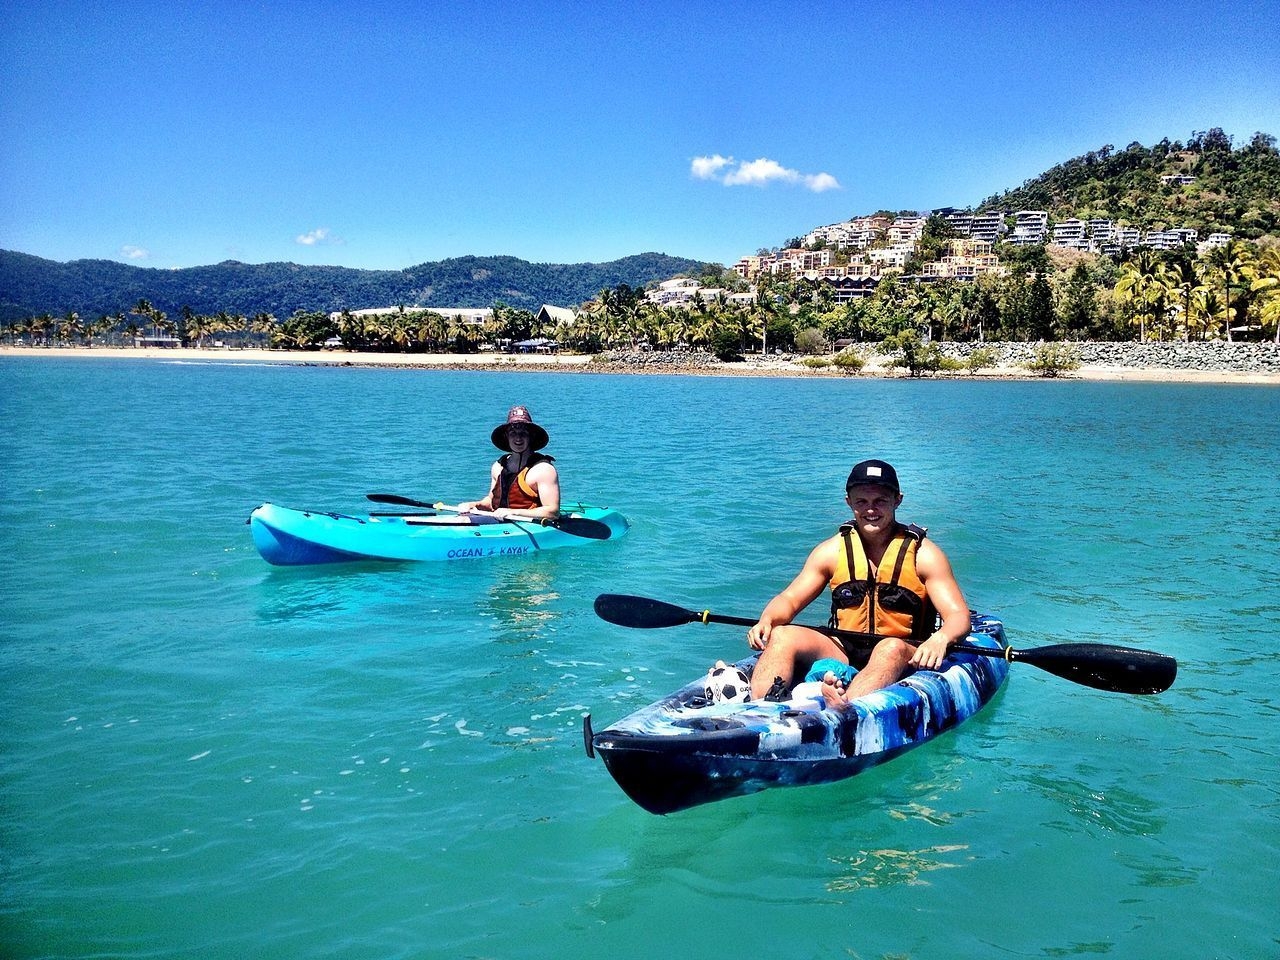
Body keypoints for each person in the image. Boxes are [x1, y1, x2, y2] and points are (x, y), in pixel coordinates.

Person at [743, 459, 971, 710]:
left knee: (889, 648)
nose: (870, 510)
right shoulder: (832, 551)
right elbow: (790, 599)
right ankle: (761, 710)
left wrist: (941, 638)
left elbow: (958, 615)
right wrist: (767, 620)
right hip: (844, 649)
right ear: (849, 502)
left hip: (904, 651)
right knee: (782, 634)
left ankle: (842, 708)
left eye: (880, 501)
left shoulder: (924, 555)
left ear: (898, 500)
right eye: (861, 501)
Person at [457, 405, 561, 521]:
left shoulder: (543, 469)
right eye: (513, 433)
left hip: (528, 526)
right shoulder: (498, 467)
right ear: (506, 436)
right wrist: (474, 505)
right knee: (462, 518)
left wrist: (512, 512)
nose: (518, 438)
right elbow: (491, 502)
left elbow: (552, 511)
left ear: (531, 436)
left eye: (523, 433)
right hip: (500, 523)